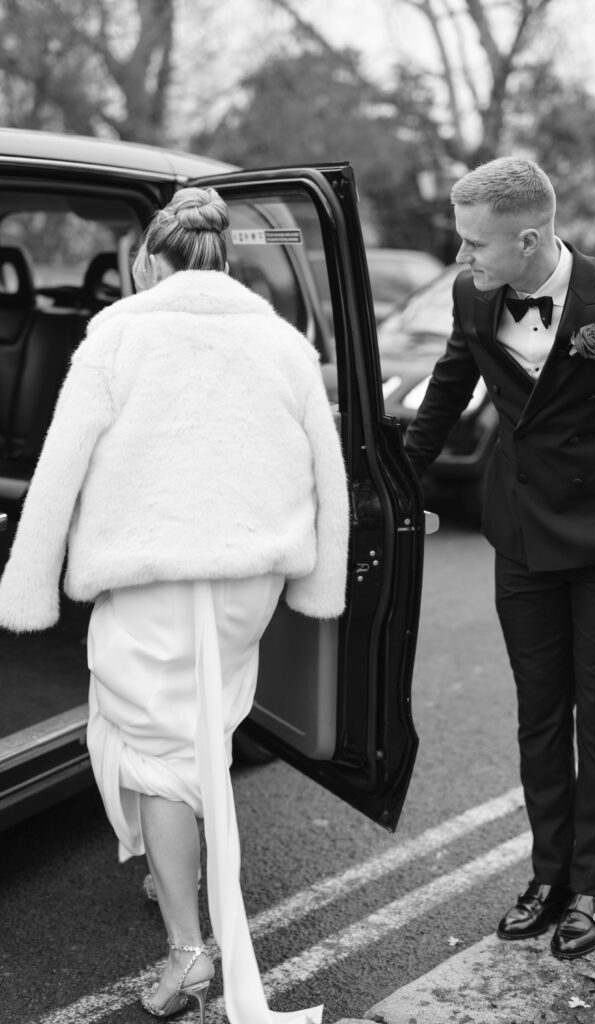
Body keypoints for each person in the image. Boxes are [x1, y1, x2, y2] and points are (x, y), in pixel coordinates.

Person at [0, 187, 349, 1023]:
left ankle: (189, 953)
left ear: (147, 262)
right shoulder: (283, 342)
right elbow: (326, 473)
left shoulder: (117, 335)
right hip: (247, 581)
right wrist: (321, 582)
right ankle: (174, 874)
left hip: (149, 573)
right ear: (224, 259)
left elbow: (59, 466)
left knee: (150, 752)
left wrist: (28, 584)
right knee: (200, 731)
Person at [404, 157, 595, 959]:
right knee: (538, 717)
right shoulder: (472, 295)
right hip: (521, 538)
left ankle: (591, 888)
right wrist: (393, 486)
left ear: (527, 240)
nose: (461, 257)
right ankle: (547, 876)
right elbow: (448, 388)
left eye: (473, 244)